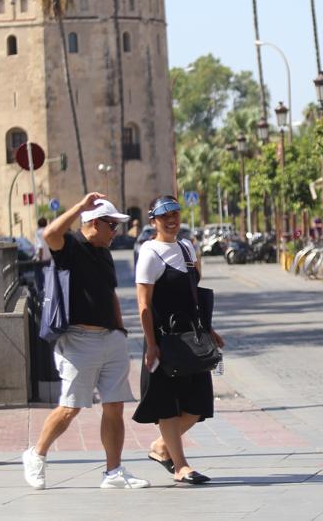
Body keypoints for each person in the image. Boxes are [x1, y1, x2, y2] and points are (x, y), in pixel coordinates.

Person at [22, 192, 148, 490]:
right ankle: (36, 454)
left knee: (115, 406)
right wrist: (79, 205)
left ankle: (113, 471)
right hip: (78, 340)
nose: (116, 232)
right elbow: (50, 233)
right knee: (70, 407)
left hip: (111, 339)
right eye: (111, 225)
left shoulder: (104, 253)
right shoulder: (71, 246)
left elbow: (110, 294)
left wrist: (120, 330)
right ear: (93, 223)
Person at [134, 196, 222, 485]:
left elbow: (194, 295)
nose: (171, 219)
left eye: (175, 213)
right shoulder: (150, 253)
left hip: (192, 338)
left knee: (198, 405)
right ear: (153, 221)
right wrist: (151, 344)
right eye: (164, 215)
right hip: (164, 339)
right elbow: (144, 305)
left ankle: (161, 447)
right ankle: (180, 465)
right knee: (167, 405)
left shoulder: (187, 247)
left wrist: (209, 330)